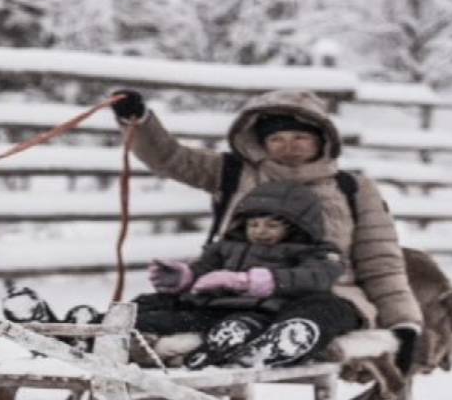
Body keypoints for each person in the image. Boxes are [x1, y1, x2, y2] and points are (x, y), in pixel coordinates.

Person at [110, 88, 422, 373]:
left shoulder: (352, 188)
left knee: (319, 311)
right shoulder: (233, 173)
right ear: (260, 143)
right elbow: (171, 159)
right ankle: (99, 332)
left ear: (322, 139)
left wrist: (404, 324)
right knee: (166, 305)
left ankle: (278, 345)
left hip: (326, 293)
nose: (288, 147)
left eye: (299, 137)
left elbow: (381, 262)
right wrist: (139, 122)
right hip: (235, 295)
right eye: (277, 139)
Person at [139, 180, 354, 369]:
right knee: (157, 307)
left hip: (264, 310)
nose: (260, 231)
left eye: (272, 225)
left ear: (297, 227)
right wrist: (184, 277)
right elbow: (203, 270)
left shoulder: (314, 251)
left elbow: (317, 275)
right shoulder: (225, 247)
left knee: (244, 321)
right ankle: (121, 324)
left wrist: (248, 281)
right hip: (212, 308)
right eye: (253, 224)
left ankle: (242, 341)